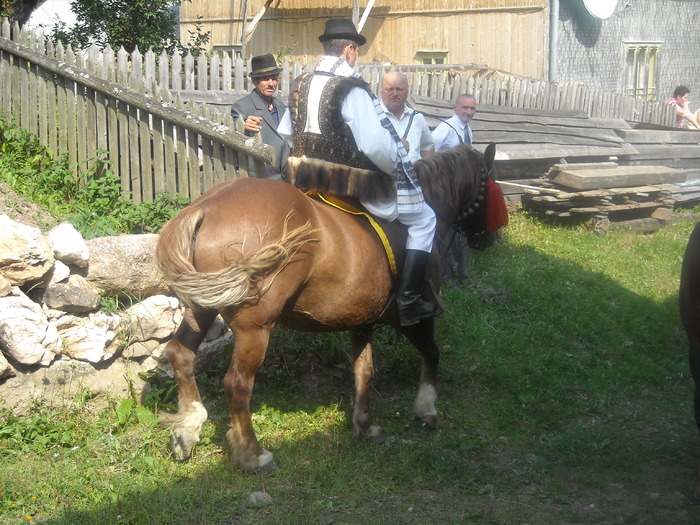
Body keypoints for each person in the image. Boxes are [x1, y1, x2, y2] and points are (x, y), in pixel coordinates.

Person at [278, 18, 439, 326]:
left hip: (302, 178)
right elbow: (376, 146)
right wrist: (397, 160)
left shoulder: (302, 82)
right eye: (357, 52)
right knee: (425, 219)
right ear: (350, 50)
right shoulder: (351, 87)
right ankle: (408, 301)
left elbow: (288, 132)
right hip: (347, 184)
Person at [431, 94, 478, 284]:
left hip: (461, 190)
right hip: (446, 189)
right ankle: (447, 271)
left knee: (461, 227)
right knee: (448, 229)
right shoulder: (447, 129)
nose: (468, 112)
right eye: (465, 108)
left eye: (472, 109)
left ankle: (463, 271)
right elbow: (428, 150)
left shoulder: (468, 130)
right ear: (455, 108)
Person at [231, 53, 290, 179]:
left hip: (286, 179)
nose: (271, 83)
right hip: (260, 179)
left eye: (274, 78)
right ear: (254, 81)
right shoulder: (242, 107)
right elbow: (232, 135)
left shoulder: (280, 106)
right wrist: (242, 127)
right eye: (265, 79)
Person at [380, 71, 435, 162]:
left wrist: (425, 171)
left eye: (399, 89)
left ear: (407, 92)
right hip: (380, 175)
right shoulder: (372, 117)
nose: (395, 94)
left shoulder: (417, 118)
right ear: (382, 91)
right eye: (390, 89)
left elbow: (427, 147)